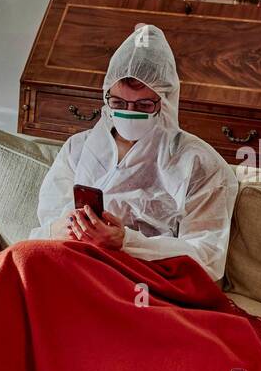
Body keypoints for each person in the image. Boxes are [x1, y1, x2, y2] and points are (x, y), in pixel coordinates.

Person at [29, 24, 237, 281]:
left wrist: (126, 241)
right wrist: (68, 228)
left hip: (144, 279)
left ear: (166, 100)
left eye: (143, 105)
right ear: (106, 97)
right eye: (118, 103)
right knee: (17, 265)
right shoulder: (78, 148)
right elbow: (46, 227)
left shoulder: (198, 163)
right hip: (73, 263)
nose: (128, 112)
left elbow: (208, 257)